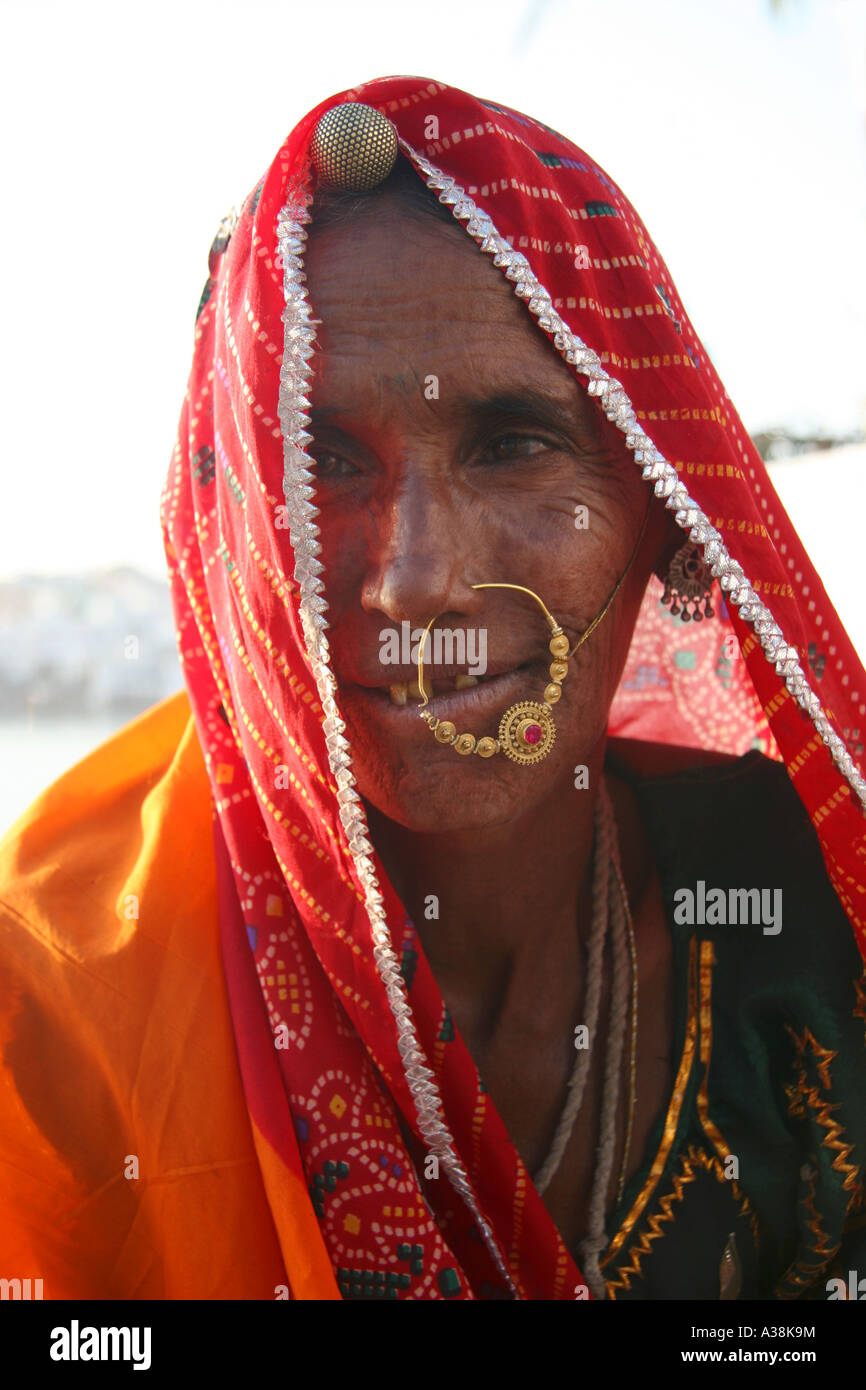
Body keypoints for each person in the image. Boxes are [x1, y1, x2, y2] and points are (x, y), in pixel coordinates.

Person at [1, 75, 864, 1302]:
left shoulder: (802, 900)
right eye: (321, 461)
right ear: (228, 529)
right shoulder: (52, 1006)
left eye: (514, 442)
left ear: (671, 509)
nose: (414, 580)